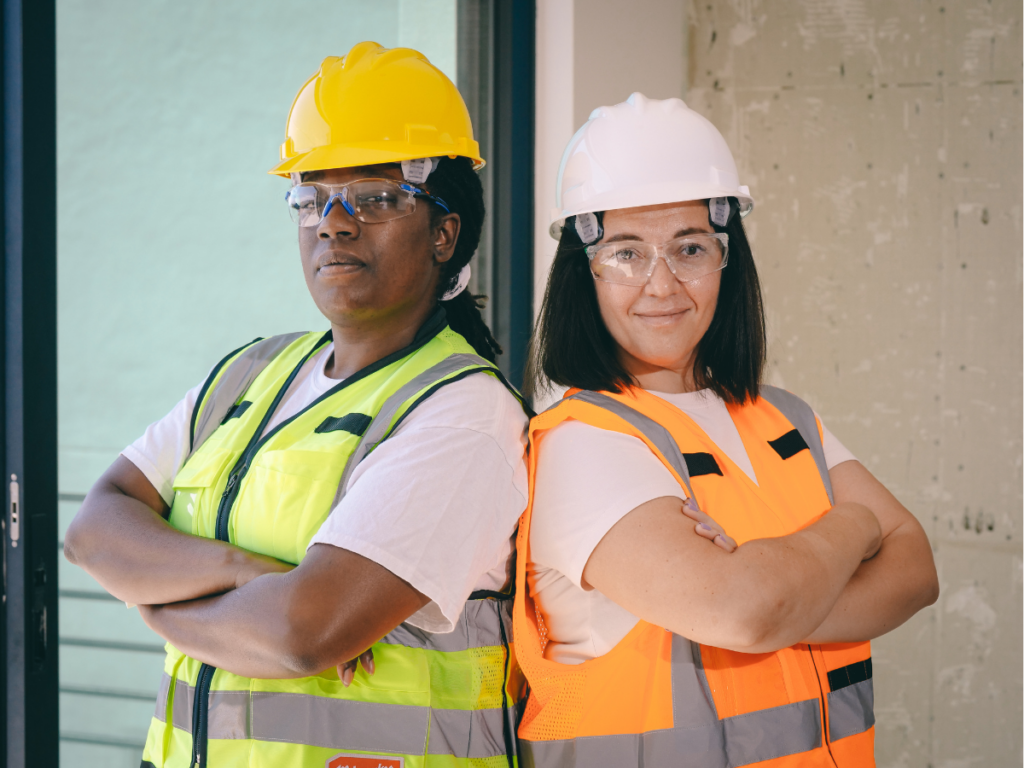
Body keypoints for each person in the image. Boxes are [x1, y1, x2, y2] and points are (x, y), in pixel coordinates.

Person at [64, 42, 529, 768]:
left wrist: (156, 599)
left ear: (446, 231)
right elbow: (93, 533)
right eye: (311, 198)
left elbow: (302, 632)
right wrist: (246, 573)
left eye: (374, 198)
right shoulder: (250, 375)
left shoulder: (463, 416)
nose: (334, 223)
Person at [514, 93, 939, 767]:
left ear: (726, 259)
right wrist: (854, 529)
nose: (662, 284)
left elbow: (916, 568)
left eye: (690, 248)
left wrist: (780, 594)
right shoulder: (582, 444)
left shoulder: (783, 416)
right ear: (583, 270)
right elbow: (744, 614)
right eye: (626, 253)